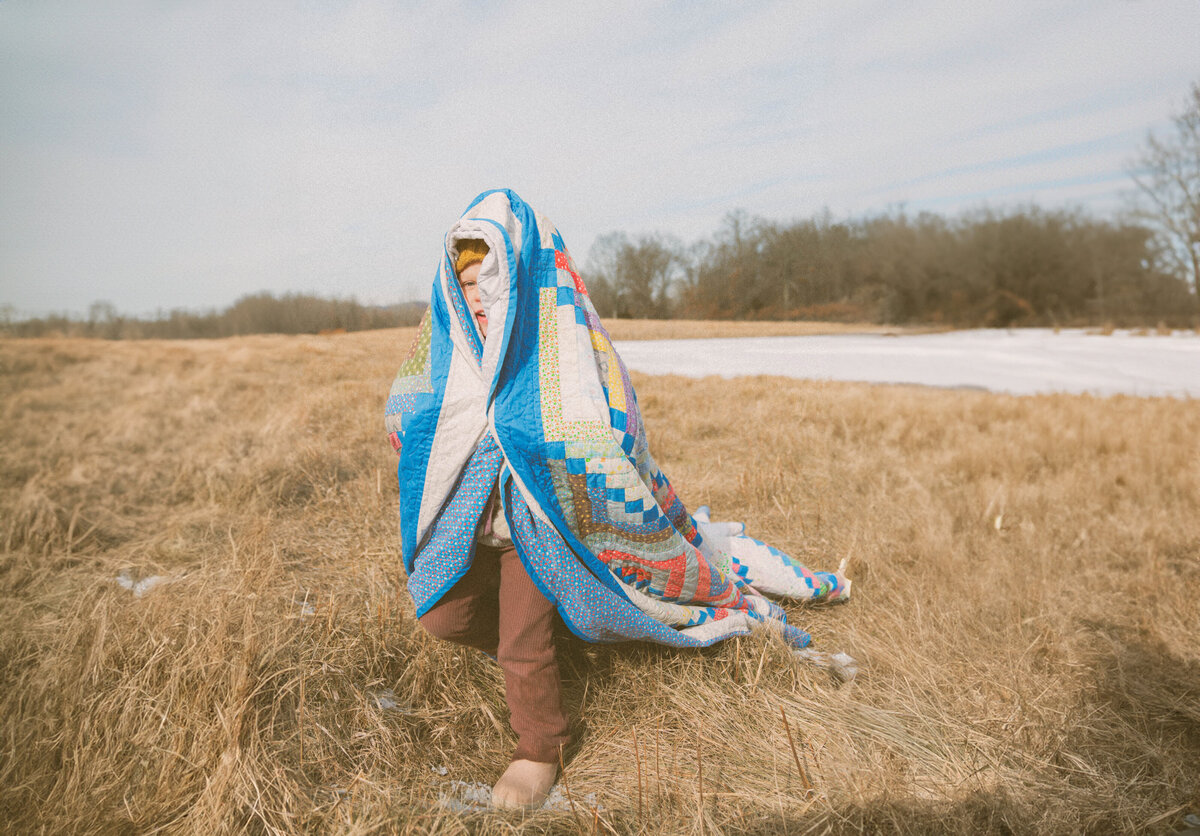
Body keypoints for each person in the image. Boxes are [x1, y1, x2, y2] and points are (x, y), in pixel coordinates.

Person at [385, 189, 849, 811]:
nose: (476, 299)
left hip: (542, 530)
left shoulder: (558, 354)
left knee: (521, 641)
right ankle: (562, 636)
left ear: (523, 283)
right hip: (477, 531)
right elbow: (416, 418)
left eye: (489, 284)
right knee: (443, 615)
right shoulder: (457, 355)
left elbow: (610, 430)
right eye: (465, 285)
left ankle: (539, 749)